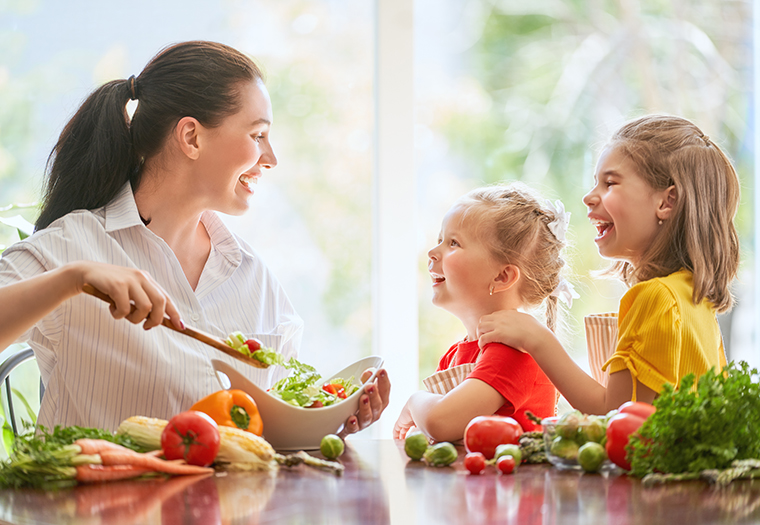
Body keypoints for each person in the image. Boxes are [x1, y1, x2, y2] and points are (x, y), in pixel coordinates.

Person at [0, 41, 389, 434]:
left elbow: (271, 427)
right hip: (99, 494)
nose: (271, 158)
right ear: (191, 137)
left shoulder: (252, 276)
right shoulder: (72, 248)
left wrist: (335, 414)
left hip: (233, 496)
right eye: (257, 135)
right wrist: (71, 281)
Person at [478, 115, 739, 414]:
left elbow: (615, 413)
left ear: (667, 202)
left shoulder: (655, 297)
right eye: (595, 183)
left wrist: (537, 338)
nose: (589, 197)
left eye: (610, 183)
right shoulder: (692, 294)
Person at [392, 183, 575, 442]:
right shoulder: (454, 355)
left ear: (502, 276)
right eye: (439, 241)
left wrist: (414, 402)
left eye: (453, 243)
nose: (433, 253)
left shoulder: (514, 353)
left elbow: (440, 421)